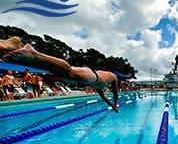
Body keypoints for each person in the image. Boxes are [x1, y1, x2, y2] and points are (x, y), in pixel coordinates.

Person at [4, 44, 132, 112]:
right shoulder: (113, 77)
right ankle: (33, 52)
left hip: (89, 76)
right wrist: (115, 104)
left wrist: (112, 105)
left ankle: (17, 48)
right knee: (68, 71)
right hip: (91, 76)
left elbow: (103, 96)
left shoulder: (103, 83)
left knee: (56, 71)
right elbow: (115, 93)